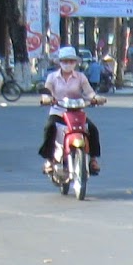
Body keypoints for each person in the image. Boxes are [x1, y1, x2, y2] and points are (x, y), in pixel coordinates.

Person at [38, 47, 104, 176]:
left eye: (71, 61)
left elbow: (89, 92)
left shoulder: (81, 77)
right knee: (49, 127)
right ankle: (49, 160)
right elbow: (47, 91)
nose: (68, 64)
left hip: (77, 112)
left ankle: (93, 159)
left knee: (92, 129)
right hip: (58, 111)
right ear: (60, 62)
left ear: (75, 62)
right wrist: (47, 98)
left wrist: (95, 98)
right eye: (65, 61)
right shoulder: (52, 77)